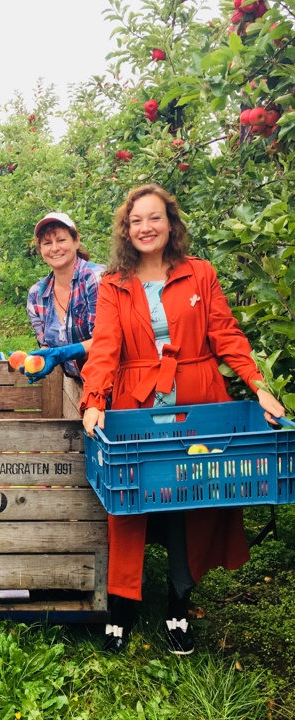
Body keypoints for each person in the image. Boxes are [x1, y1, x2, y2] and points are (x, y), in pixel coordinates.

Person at [80, 184, 285, 655]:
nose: (145, 228)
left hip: (197, 398)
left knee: (190, 500)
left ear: (171, 224)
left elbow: (226, 335)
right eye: (136, 221)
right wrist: (95, 397)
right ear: (125, 230)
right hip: (137, 401)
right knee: (129, 500)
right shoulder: (114, 282)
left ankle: (177, 607)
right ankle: (122, 609)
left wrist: (259, 385)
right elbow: (107, 344)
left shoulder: (200, 275)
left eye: (154, 218)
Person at [24, 212, 105, 381]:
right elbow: (46, 346)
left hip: (111, 383)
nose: (54, 248)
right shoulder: (37, 296)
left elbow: (105, 341)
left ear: (76, 241)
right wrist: (39, 360)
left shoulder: (95, 278)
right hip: (79, 386)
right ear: (40, 249)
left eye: (61, 240)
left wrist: (62, 353)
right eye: (47, 243)